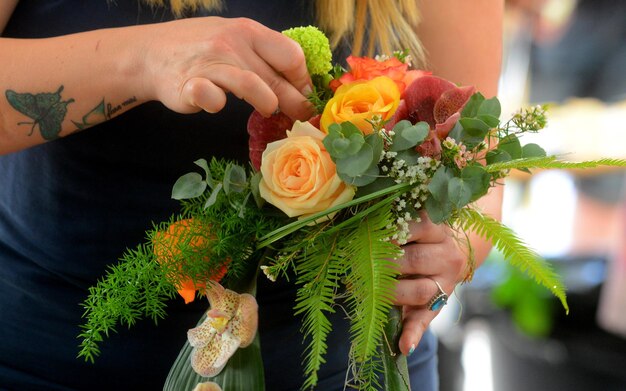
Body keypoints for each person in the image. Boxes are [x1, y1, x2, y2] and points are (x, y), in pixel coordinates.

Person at [0, 0, 503, 389]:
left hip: (344, 368)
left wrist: (453, 244)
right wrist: (142, 59)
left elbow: (479, 154)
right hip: (54, 355)